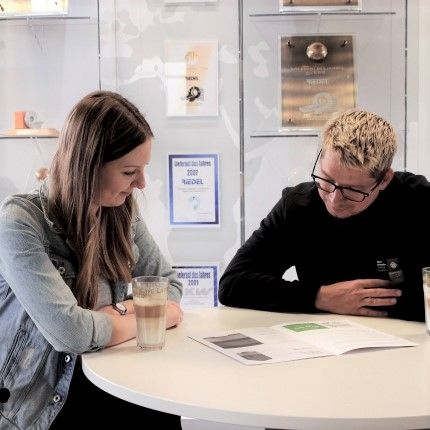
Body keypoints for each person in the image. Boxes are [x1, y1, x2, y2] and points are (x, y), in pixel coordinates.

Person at [0, 91, 184, 429]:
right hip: (42, 400)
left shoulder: (122, 213)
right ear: (88, 167)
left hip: (107, 373)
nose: (141, 183)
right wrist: (148, 316)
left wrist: (117, 312)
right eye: (130, 171)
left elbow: (167, 285)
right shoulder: (20, 221)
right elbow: (70, 332)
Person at [219, 109, 430, 322]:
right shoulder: (298, 206)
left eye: (353, 191)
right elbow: (233, 283)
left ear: (384, 180)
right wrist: (320, 297)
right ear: (320, 159)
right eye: (327, 180)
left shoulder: (420, 202)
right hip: (324, 342)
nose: (334, 200)